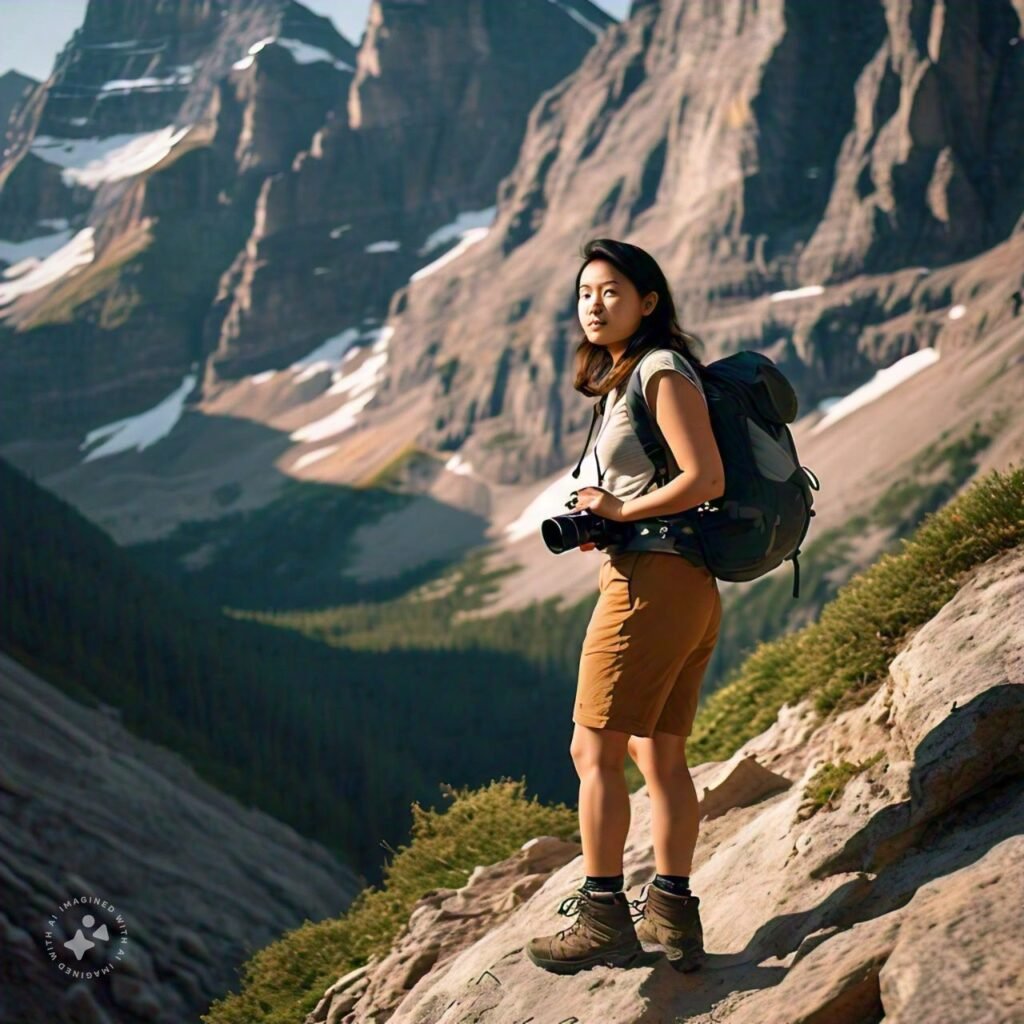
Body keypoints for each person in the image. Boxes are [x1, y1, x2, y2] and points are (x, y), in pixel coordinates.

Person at [527, 238, 725, 975]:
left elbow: (706, 477)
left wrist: (623, 509)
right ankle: (673, 913)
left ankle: (603, 915)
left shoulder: (661, 370)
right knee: (657, 753)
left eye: (612, 290)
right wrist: (609, 515)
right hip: (680, 583)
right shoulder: (625, 380)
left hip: (653, 581)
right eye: (584, 293)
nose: (594, 304)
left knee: (594, 750)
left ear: (650, 300)